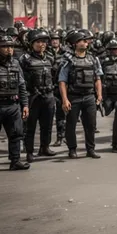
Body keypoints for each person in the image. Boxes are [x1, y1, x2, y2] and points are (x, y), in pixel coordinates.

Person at [58, 30, 103, 159]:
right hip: (74, 96)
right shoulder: (68, 61)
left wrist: (99, 95)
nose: (85, 43)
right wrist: (65, 100)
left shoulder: (93, 59)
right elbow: (62, 81)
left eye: (86, 41)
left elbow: (97, 78)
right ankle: (72, 149)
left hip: (89, 96)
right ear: (75, 44)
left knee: (91, 124)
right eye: (82, 41)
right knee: (71, 124)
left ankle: (91, 149)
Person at [20, 29, 56, 162]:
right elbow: (21, 80)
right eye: (39, 42)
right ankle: (29, 152)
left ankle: (44, 147)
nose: (42, 44)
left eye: (44, 42)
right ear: (32, 44)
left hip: (48, 95)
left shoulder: (50, 58)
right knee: (30, 126)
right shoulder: (25, 59)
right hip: (33, 97)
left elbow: (54, 76)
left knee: (47, 125)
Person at [0, 35, 30, 170]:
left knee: (16, 133)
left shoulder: (16, 63)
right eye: (5, 47)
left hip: (13, 105)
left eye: (11, 47)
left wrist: (25, 105)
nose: (9, 49)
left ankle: (15, 160)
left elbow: (22, 85)